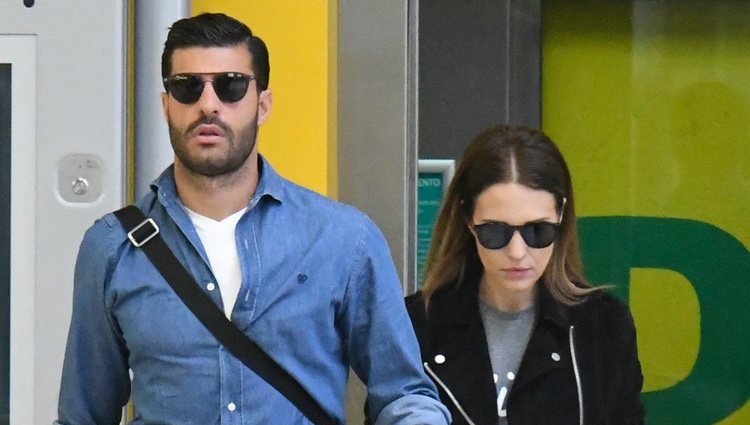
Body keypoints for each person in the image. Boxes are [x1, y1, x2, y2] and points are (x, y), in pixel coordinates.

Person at [55, 12, 450, 425]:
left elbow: (404, 395)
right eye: (187, 88)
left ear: (262, 104)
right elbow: (84, 414)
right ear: (166, 104)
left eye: (231, 86)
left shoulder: (343, 240)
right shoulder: (112, 247)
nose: (208, 105)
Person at [406, 125, 645, 424]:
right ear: (468, 219)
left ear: (561, 214)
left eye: (537, 230)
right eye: (495, 232)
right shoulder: (416, 327)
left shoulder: (603, 327)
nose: (517, 252)